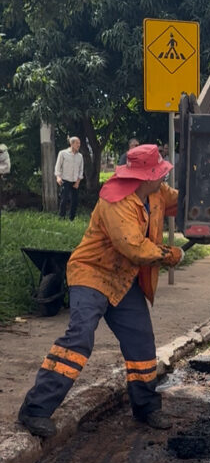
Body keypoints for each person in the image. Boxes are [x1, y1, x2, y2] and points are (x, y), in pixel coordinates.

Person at [18, 144, 184, 440]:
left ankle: (146, 407)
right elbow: (133, 247)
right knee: (79, 338)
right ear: (145, 177)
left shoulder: (156, 193)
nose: (163, 177)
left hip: (123, 280)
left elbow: (181, 201)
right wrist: (171, 254)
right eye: (159, 173)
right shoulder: (116, 201)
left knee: (142, 343)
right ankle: (35, 409)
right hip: (92, 273)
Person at [55, 136, 84, 220]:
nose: (79, 145)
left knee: (75, 201)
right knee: (64, 199)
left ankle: (72, 218)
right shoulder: (63, 153)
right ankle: (61, 217)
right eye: (77, 143)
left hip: (75, 180)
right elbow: (58, 166)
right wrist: (58, 177)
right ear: (72, 144)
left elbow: (81, 170)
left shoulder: (80, 156)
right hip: (65, 179)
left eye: (79, 143)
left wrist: (78, 181)